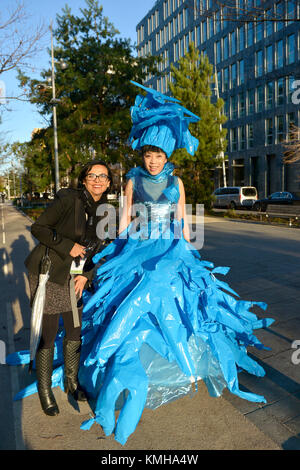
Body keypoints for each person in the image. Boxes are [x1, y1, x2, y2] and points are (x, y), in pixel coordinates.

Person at [8, 83, 274, 446]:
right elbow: (121, 224)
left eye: (159, 155)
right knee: (111, 308)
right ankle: (68, 380)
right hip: (127, 251)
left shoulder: (177, 182)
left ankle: (161, 368)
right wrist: (114, 251)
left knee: (171, 304)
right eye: (149, 154)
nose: (153, 160)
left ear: (167, 156)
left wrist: (186, 255)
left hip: (169, 250)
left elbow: (182, 223)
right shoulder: (128, 181)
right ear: (143, 154)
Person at [24, 160, 111, 416]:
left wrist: (87, 275)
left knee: (74, 328)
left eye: (103, 176)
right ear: (83, 179)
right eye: (92, 175)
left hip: (75, 275)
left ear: (108, 183)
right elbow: (38, 227)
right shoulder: (68, 200)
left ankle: (72, 383)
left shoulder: (106, 211)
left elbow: (100, 249)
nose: (97, 180)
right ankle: (45, 389)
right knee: (49, 332)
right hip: (49, 271)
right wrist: (67, 245)